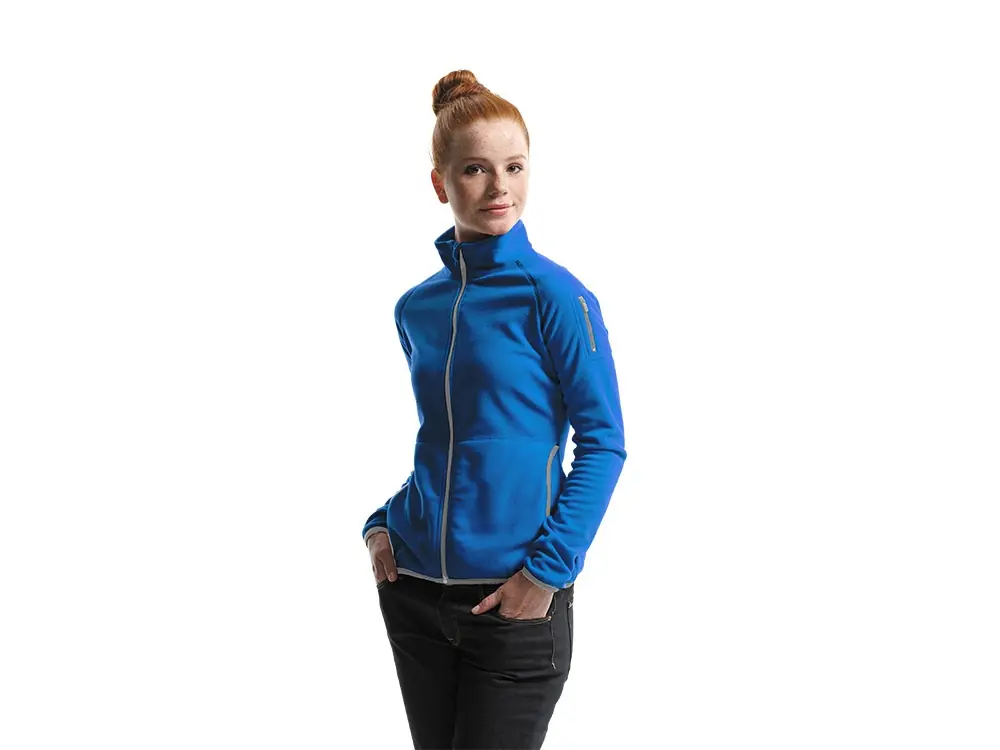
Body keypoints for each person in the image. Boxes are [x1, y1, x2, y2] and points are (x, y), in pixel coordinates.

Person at [361, 69, 627, 750]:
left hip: (513, 600)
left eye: (514, 166)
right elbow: (448, 440)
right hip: (416, 594)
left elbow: (603, 443)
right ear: (440, 183)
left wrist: (546, 572)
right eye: (475, 169)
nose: (498, 186)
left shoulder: (557, 297)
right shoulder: (416, 308)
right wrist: (383, 522)